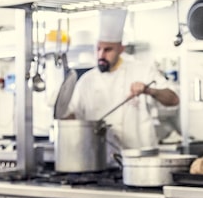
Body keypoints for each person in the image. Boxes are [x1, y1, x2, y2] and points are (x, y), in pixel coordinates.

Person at [65, 9, 179, 151]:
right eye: (98, 49)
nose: (101, 55)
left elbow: (174, 100)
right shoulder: (86, 81)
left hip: (139, 158)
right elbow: (74, 116)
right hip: (100, 159)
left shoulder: (142, 70)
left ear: (121, 49)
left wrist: (149, 90)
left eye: (108, 50)